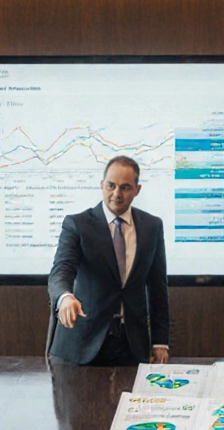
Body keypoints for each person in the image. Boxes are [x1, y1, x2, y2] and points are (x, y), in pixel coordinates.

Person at [47, 156, 169, 366]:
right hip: (82, 343)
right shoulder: (77, 224)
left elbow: (158, 287)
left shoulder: (152, 227)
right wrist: (65, 297)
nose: (117, 194)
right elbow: (62, 269)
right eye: (111, 186)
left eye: (125, 187)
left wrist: (160, 341)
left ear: (137, 190)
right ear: (102, 185)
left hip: (132, 344)